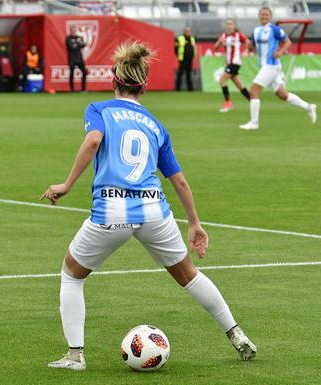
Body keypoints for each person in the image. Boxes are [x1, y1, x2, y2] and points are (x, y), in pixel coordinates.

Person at [41, 42, 257, 371]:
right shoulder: (156, 125)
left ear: (114, 80)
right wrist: (194, 223)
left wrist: (67, 184)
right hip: (155, 210)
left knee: (72, 276)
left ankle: (75, 355)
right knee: (190, 277)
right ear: (144, 86)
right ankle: (236, 333)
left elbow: (94, 140)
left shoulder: (99, 109)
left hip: (111, 211)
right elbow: (179, 180)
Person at [240, 7, 317, 130]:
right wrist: (247, 48)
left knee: (253, 90)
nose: (264, 16)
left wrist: (280, 52)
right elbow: (252, 47)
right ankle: (309, 107)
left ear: (270, 17)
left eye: (266, 14)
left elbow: (288, 42)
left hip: (271, 65)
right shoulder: (256, 30)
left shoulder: (274, 29)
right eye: (262, 14)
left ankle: (254, 123)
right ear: (259, 16)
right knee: (283, 95)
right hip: (265, 66)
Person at [213, 19, 251, 112]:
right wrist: (219, 42)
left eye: (231, 24)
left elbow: (248, 43)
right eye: (227, 24)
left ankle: (228, 103)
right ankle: (253, 101)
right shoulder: (223, 36)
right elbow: (215, 48)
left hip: (235, 62)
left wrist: (246, 51)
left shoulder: (238, 35)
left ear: (234, 26)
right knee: (239, 85)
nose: (229, 26)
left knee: (222, 80)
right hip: (229, 63)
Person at [65, 25, 87, 92]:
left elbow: (83, 44)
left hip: (79, 58)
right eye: (72, 29)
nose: (73, 30)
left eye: (74, 29)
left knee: (84, 72)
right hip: (72, 59)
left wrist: (76, 44)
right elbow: (72, 47)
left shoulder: (79, 37)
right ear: (70, 30)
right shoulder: (68, 38)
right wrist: (78, 44)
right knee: (71, 73)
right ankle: (72, 89)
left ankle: (83, 89)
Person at [175, 26, 197, 91]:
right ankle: (178, 89)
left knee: (188, 74)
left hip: (190, 59)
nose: (188, 32)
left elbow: (194, 48)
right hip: (182, 59)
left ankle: (190, 89)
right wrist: (178, 56)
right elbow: (175, 49)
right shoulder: (179, 38)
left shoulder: (192, 39)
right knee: (180, 74)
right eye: (186, 31)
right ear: (184, 32)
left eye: (189, 31)